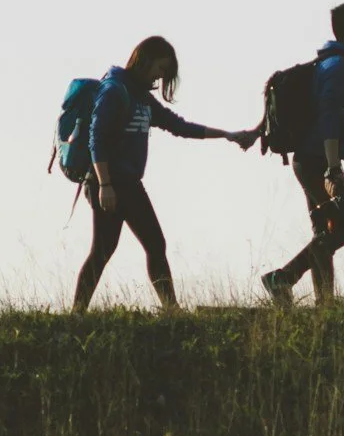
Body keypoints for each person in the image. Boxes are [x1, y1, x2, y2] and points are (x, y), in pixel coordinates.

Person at [76, 35, 256, 312]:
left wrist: (227, 135)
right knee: (105, 250)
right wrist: (104, 184)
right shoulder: (114, 90)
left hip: (129, 183)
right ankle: (79, 314)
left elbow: (179, 126)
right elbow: (95, 139)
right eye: (160, 69)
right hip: (109, 183)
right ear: (144, 60)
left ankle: (171, 310)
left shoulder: (141, 98)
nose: (160, 78)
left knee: (151, 244)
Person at [261, 0, 344, 306]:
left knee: (325, 231)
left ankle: (325, 304)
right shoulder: (338, 67)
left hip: (310, 159)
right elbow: (328, 118)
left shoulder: (334, 63)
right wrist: (333, 169)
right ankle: (282, 278)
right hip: (316, 161)